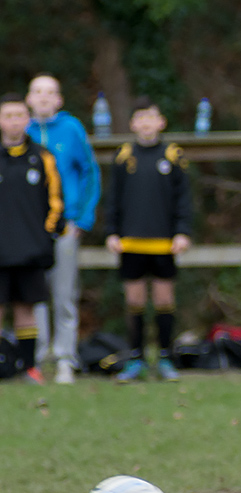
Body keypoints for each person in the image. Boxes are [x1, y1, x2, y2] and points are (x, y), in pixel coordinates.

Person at [105, 96, 192, 383]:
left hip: (164, 241)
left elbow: (184, 197)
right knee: (135, 300)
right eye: (140, 118)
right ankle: (136, 359)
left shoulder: (173, 155)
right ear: (132, 124)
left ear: (161, 122)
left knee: (165, 298)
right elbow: (113, 198)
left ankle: (165, 358)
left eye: (151, 117)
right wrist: (112, 232)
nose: (146, 123)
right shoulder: (123, 156)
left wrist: (182, 231)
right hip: (131, 241)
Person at [26, 73, 101, 384]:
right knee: (33, 294)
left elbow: (89, 172)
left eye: (50, 92)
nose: (43, 97)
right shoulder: (21, 131)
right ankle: (36, 358)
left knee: (64, 293)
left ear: (59, 99)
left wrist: (82, 219)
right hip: (30, 227)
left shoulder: (71, 129)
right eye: (37, 91)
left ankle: (65, 358)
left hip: (65, 226)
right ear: (29, 98)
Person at [0, 93, 64, 384]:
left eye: (19, 115)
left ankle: (29, 367)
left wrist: (46, 235)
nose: (14, 121)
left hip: (30, 249)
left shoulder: (42, 157)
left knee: (26, 309)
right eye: (8, 116)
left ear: (27, 119)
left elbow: (56, 202)